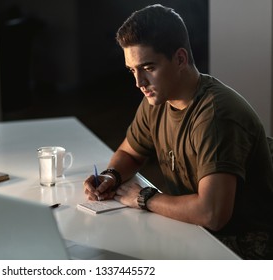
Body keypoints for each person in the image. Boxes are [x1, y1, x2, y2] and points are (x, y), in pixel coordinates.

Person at [83, 4, 273, 259]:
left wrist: (144, 198)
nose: (139, 83)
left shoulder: (216, 115)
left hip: (242, 247)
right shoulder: (158, 98)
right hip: (197, 231)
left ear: (180, 59)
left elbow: (212, 214)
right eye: (132, 70)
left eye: (148, 68)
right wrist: (112, 176)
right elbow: (130, 152)